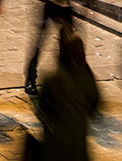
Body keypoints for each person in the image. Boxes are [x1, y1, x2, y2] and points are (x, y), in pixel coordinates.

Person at [34, 27, 99, 161]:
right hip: (78, 141)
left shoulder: (52, 79)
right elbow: (95, 105)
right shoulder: (87, 79)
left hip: (55, 143)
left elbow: (41, 111)